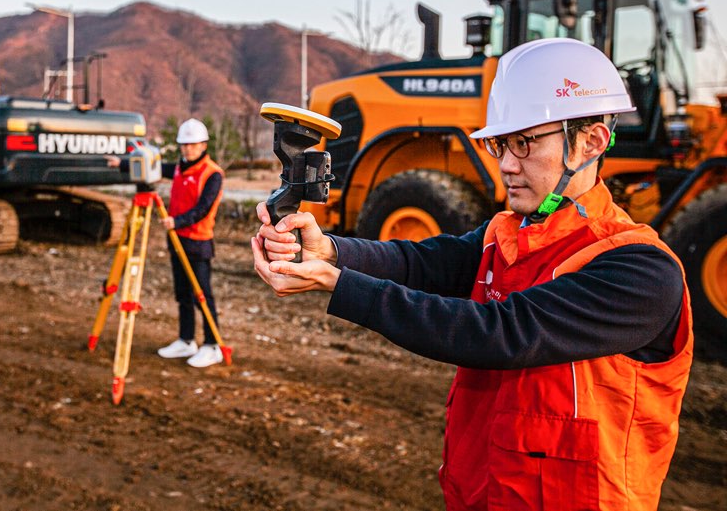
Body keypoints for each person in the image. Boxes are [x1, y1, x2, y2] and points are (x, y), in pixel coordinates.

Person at [252, 38, 692, 510]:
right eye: (501, 143)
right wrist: (332, 250)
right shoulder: (504, 234)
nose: (505, 164)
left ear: (590, 142)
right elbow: (420, 263)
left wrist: (337, 283)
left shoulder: (640, 269)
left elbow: (503, 334)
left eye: (523, 143)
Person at [110, 118, 225, 368]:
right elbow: (156, 167)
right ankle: (186, 340)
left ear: (203, 145)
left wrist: (178, 221)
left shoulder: (212, 174)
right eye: (184, 145)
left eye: (192, 145)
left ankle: (211, 345)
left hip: (198, 242)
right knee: (182, 294)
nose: (187, 150)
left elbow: (204, 209)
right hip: (176, 240)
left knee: (202, 295)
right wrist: (123, 164)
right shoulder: (179, 168)